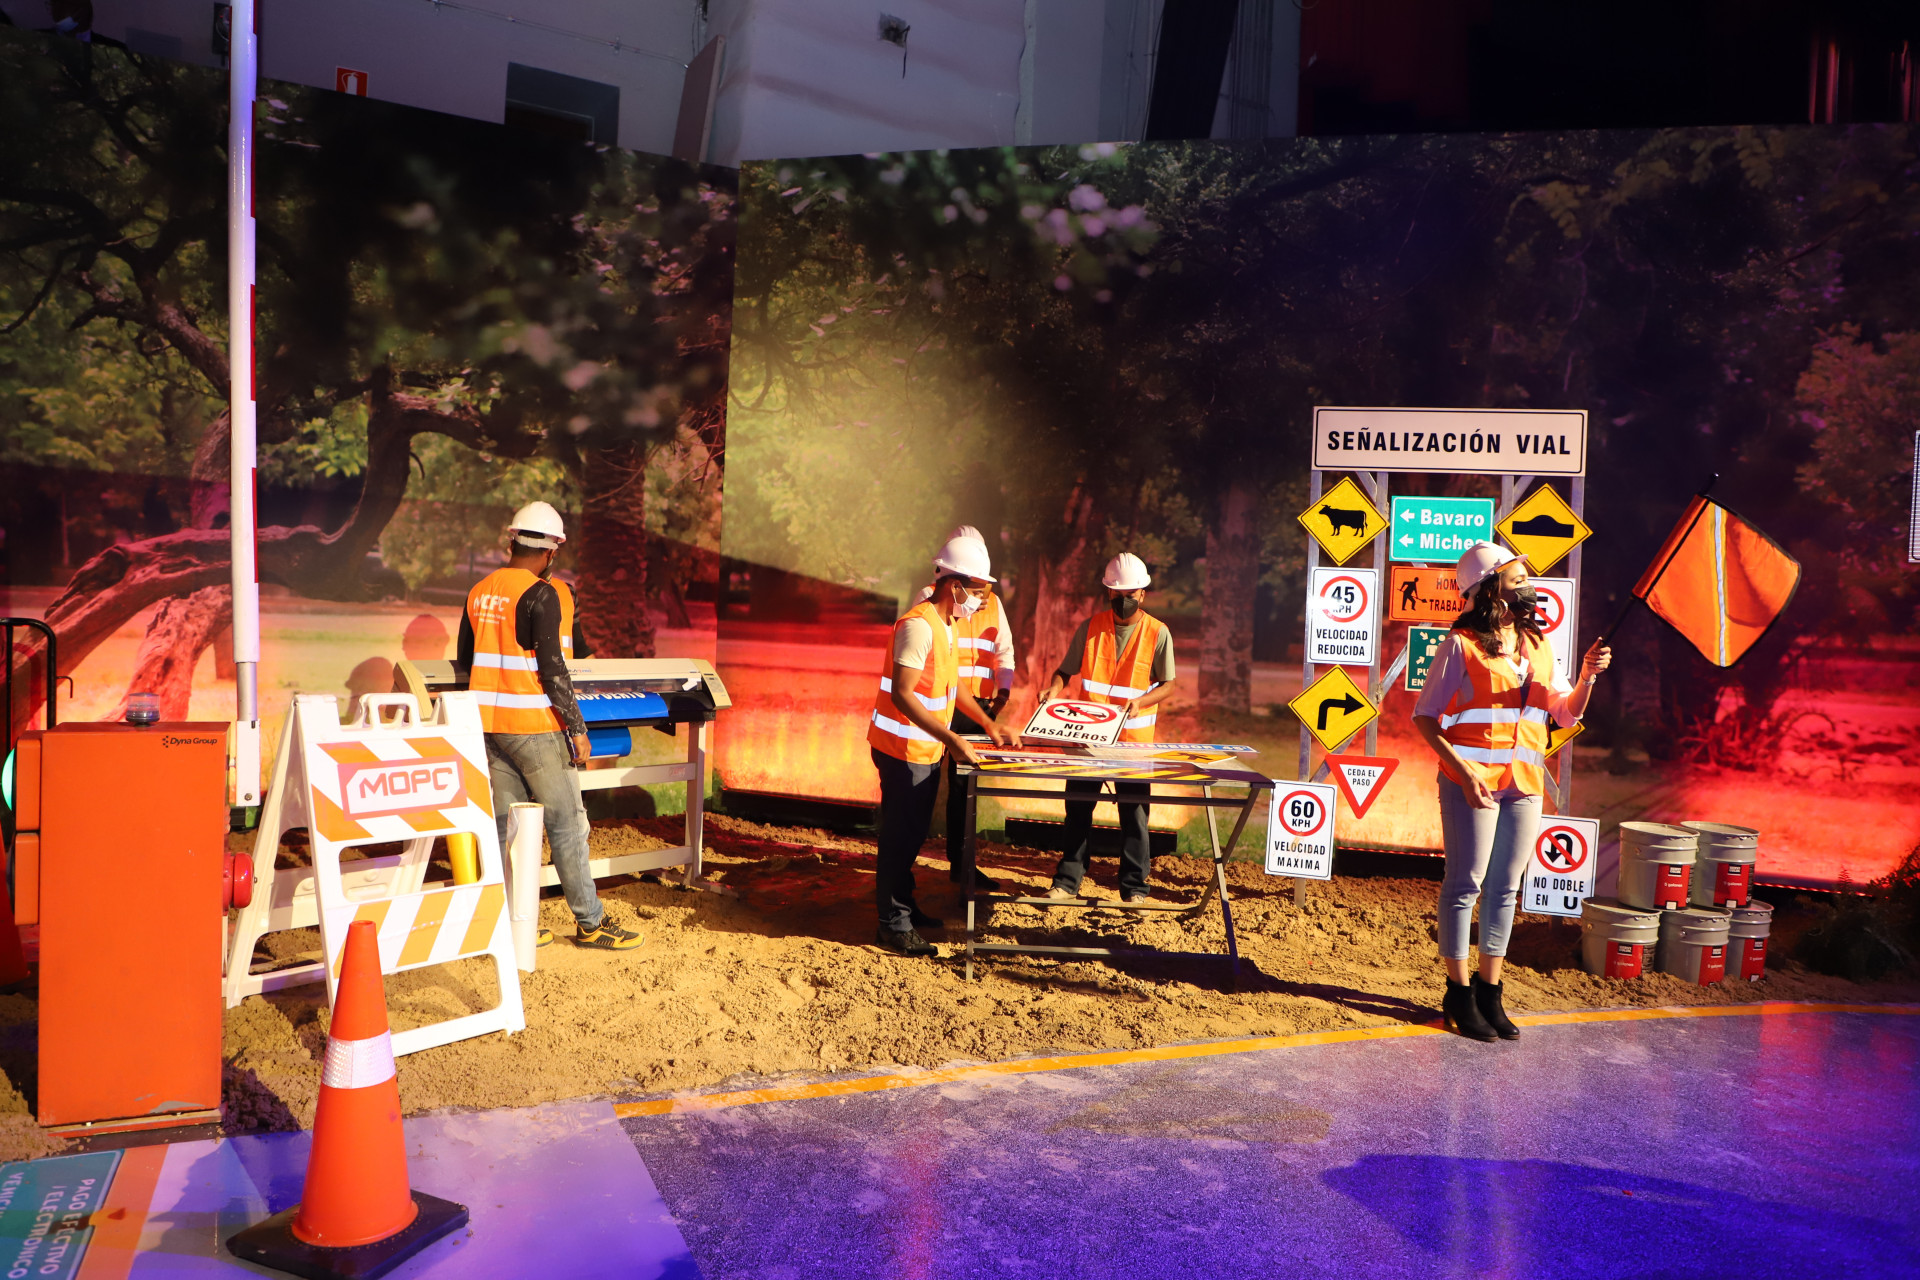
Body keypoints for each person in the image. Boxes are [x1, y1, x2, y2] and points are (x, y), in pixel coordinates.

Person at [1411, 540, 1610, 1041]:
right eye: (1516, 579)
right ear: (1488, 589)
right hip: (1471, 783)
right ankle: (1458, 994)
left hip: (1524, 783)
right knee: (1465, 885)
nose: (1528, 587)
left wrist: (1587, 678)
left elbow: (1565, 713)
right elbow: (1425, 717)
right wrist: (1464, 772)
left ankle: (1490, 992)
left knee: (1505, 888)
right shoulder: (1460, 644)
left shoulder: (1538, 643)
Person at [459, 501, 639, 952]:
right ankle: (591, 923)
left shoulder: (479, 591)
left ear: (512, 541)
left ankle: (511, 922)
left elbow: (466, 659)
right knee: (567, 825)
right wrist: (576, 727)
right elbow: (554, 669)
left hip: (489, 727)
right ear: (551, 551)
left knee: (506, 827)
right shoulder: (542, 594)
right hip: (535, 726)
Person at [869, 536, 1021, 956]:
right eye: (975, 591)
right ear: (954, 586)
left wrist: (988, 724)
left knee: (914, 834)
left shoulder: (947, 625)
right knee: (900, 836)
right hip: (901, 750)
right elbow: (902, 694)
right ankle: (892, 924)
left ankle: (904, 908)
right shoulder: (918, 626)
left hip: (923, 749)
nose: (978, 601)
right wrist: (952, 739)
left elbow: (954, 687)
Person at [1039, 552, 1176, 905]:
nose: (1124, 600)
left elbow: (1168, 684)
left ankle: (1134, 889)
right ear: (1108, 592)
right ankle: (1067, 882)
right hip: (1088, 740)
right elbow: (1065, 671)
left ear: (1143, 593)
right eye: (1118, 593)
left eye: (1130, 594)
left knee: (1134, 815)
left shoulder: (1158, 633)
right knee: (1078, 809)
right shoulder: (1090, 628)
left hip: (1132, 742)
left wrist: (1141, 702)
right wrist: (1054, 689)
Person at [915, 525, 1017, 893]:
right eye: (974, 584)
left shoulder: (994, 604)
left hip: (976, 710)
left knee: (965, 789)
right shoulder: (928, 602)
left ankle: (962, 867)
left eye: (983, 584)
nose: (980, 592)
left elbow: (1004, 652)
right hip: (936, 708)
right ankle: (907, 867)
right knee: (922, 785)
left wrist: (999, 699)